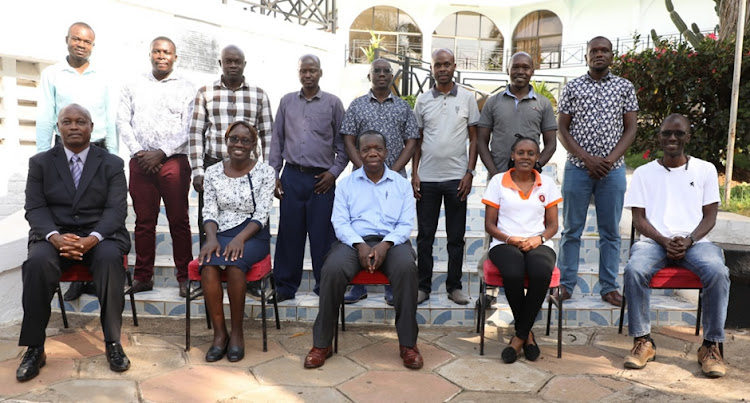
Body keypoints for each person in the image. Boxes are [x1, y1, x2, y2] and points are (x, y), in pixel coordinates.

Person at [17, 104, 131, 382]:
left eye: (81, 121)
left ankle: (113, 343)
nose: (74, 126)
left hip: (100, 236)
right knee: (37, 263)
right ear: (58, 128)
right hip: (55, 236)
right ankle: (34, 347)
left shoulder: (112, 164)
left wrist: (91, 239)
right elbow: (35, 208)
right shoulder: (40, 163)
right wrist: (55, 237)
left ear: (92, 128)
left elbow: (116, 210)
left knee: (108, 259)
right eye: (66, 122)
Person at [622, 114, 729, 378]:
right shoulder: (644, 173)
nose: (672, 138)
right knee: (635, 269)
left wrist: (690, 240)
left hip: (696, 242)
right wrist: (663, 240)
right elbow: (639, 218)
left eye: (678, 134)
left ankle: (710, 346)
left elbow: (710, 216)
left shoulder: (704, 169)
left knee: (718, 272)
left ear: (688, 138)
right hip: (655, 242)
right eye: (667, 133)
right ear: (659, 136)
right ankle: (643, 341)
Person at [303, 131, 422, 370]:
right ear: (359, 154)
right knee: (332, 269)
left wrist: (384, 245)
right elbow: (340, 222)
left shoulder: (400, 184)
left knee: (407, 268)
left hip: (392, 242)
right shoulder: (346, 184)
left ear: (386, 152)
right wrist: (360, 245)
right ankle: (322, 344)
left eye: (377, 148)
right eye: (366, 149)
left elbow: (406, 224)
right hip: (354, 242)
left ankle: (408, 345)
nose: (372, 153)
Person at [37, 22, 118, 301]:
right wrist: (41, 155)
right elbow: (47, 116)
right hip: (65, 151)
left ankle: (95, 273)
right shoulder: (53, 74)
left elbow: (110, 116)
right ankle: (75, 271)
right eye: (76, 39)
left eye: (87, 41)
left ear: (92, 46)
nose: (81, 44)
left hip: (98, 149)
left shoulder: (103, 77)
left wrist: (115, 155)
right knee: (70, 209)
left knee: (94, 211)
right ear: (67, 40)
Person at [556, 36, 638, 307]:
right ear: (587, 56)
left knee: (610, 232)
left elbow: (631, 128)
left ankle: (609, 287)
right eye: (594, 50)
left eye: (604, 50)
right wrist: (587, 159)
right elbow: (562, 130)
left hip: (612, 172)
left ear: (612, 56)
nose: (599, 54)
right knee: (571, 230)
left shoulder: (625, 87)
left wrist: (609, 159)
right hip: (578, 169)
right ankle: (565, 285)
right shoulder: (572, 87)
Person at [189, 45, 273, 299]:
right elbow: (196, 132)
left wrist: (267, 170)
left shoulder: (259, 94)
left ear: (244, 64)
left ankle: (245, 277)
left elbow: (267, 134)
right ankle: (211, 281)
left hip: (250, 169)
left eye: (237, 61)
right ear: (221, 63)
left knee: (241, 254)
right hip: (214, 166)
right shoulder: (205, 92)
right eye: (228, 61)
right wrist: (197, 170)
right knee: (210, 227)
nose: (233, 65)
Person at [117, 36, 194, 297]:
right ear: (150, 54)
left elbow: (189, 128)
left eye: (167, 52)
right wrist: (140, 152)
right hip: (140, 163)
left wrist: (161, 153)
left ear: (175, 57)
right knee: (144, 222)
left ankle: (184, 278)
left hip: (173, 162)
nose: (162, 56)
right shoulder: (133, 84)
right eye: (157, 51)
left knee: (179, 221)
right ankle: (143, 277)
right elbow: (122, 121)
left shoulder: (187, 88)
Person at [268, 54, 347, 303]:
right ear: (299, 73)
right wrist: (274, 175)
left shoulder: (333, 104)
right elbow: (277, 141)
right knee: (289, 233)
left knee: (323, 235)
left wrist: (333, 174)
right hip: (292, 176)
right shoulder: (287, 102)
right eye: (304, 71)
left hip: (321, 180)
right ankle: (284, 286)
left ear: (320, 73)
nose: (308, 75)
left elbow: (343, 146)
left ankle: (326, 286)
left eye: (312, 70)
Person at [340, 58, 419, 305]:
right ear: (369, 75)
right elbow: (348, 140)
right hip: (362, 180)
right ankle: (357, 286)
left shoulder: (404, 107)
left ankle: (392, 287)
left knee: (393, 231)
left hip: (394, 179)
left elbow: (412, 141)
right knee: (359, 228)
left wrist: (392, 171)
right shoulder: (357, 105)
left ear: (393, 76)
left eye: (387, 71)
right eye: (377, 71)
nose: (382, 74)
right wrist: (365, 167)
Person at [197, 121, 275, 363]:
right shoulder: (212, 172)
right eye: (234, 139)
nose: (239, 144)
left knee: (234, 263)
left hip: (252, 233)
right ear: (226, 141)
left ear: (253, 145)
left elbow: (262, 213)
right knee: (208, 264)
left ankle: (238, 333)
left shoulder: (265, 172)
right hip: (219, 231)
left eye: (245, 140)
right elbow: (209, 210)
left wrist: (240, 239)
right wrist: (210, 239)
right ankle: (220, 335)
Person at [481, 136, 561, 363]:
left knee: (540, 271)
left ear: (537, 158)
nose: (525, 157)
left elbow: (553, 225)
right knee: (513, 271)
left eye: (531, 153)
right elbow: (489, 225)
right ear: (512, 155)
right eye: (521, 152)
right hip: (504, 243)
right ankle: (528, 335)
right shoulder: (498, 181)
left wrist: (538, 239)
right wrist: (510, 239)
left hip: (539, 243)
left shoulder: (547, 183)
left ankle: (519, 337)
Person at [412, 49, 479, 306]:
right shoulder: (422, 100)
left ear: (454, 66)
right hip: (427, 179)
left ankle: (454, 286)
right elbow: (417, 141)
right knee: (425, 236)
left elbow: (474, 139)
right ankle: (423, 287)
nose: (442, 69)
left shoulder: (467, 98)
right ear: (432, 68)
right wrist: (415, 174)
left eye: (447, 64)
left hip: (456, 179)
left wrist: (469, 173)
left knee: (455, 237)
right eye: (437, 64)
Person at [477, 51, 557, 177]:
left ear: (532, 71)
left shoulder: (543, 103)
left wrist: (536, 167)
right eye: (515, 67)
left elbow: (551, 143)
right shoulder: (492, 102)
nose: (520, 71)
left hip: (530, 179)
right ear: (508, 70)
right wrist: (494, 173)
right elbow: (481, 140)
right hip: (498, 176)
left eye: (525, 68)